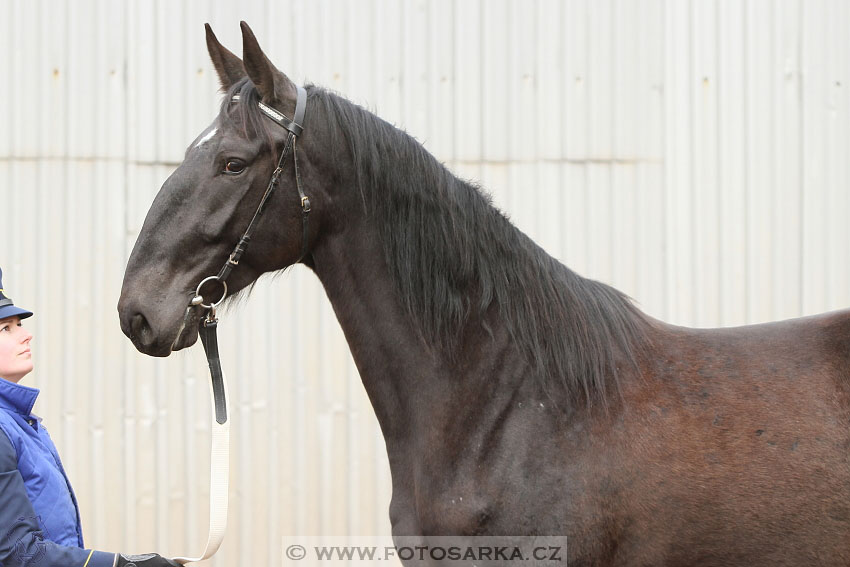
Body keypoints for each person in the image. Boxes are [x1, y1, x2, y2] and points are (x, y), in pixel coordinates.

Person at [0, 267, 177, 566]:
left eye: (19, 324)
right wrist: (119, 564)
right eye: (6, 328)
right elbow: (19, 552)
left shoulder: (20, 422)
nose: (26, 335)